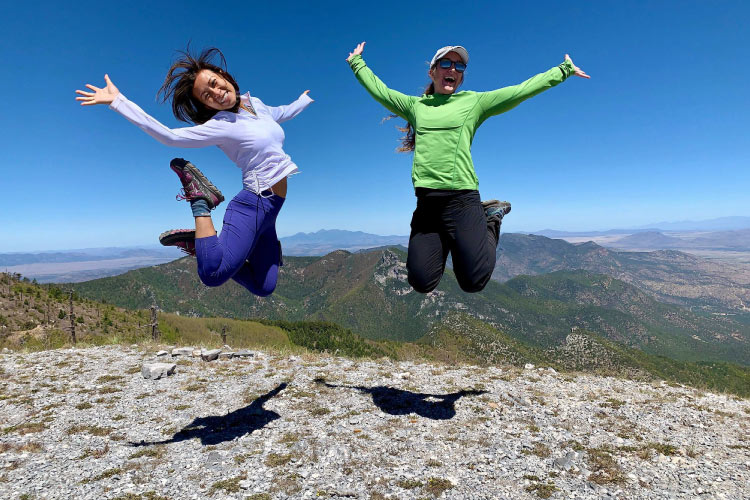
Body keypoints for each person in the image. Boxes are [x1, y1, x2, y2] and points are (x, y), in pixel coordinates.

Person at [346, 42, 589, 293]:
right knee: (421, 282)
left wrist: (562, 71)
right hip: (427, 207)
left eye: (459, 65)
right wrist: (357, 63)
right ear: (432, 71)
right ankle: (457, 239)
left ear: (461, 76)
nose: (453, 68)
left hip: (462, 201)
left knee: (473, 282)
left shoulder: (473, 103)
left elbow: (519, 91)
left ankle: (492, 217)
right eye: (446, 63)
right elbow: (380, 91)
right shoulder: (414, 107)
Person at [76, 47, 313, 297]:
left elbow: (283, 113)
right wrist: (118, 102)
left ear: (223, 75)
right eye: (207, 96)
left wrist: (304, 99)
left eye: (214, 84)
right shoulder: (221, 126)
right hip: (253, 203)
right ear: (206, 105)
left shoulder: (256, 105)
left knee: (264, 287)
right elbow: (169, 136)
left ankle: (200, 244)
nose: (216, 93)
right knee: (212, 275)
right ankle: (201, 201)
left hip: (271, 212)